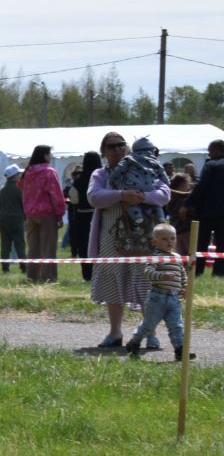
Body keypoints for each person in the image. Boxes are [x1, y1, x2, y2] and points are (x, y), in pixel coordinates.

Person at [87, 132, 169, 349]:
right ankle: (115, 333)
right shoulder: (100, 174)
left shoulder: (146, 166)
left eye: (121, 145)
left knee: (145, 283)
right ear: (103, 152)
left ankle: (151, 334)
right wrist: (122, 195)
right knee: (113, 282)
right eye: (111, 146)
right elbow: (94, 197)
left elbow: (164, 193)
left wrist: (143, 197)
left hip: (144, 236)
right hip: (110, 238)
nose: (117, 149)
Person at [125, 223, 191, 358]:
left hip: (174, 298)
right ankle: (135, 342)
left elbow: (182, 274)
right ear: (155, 242)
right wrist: (163, 276)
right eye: (165, 239)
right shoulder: (156, 257)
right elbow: (148, 272)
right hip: (157, 297)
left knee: (176, 325)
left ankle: (180, 351)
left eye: (172, 238)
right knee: (148, 325)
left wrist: (184, 287)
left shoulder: (177, 257)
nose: (169, 242)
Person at [21, 146, 66, 283]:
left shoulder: (27, 172)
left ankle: (32, 276)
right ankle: (48, 278)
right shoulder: (49, 171)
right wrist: (60, 213)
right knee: (48, 247)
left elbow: (22, 189)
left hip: (30, 213)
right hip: (47, 213)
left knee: (33, 247)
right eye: (50, 153)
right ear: (45, 155)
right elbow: (56, 194)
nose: (51, 156)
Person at [192, 140, 224, 278]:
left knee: (201, 243)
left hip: (206, 212)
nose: (209, 154)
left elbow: (201, 186)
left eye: (210, 151)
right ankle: (219, 272)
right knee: (222, 244)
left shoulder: (210, 165)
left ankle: (197, 271)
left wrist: (188, 204)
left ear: (216, 150)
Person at [68, 153, 97, 281]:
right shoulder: (103, 179)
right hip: (100, 216)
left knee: (84, 246)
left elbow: (73, 200)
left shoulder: (79, 181)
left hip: (82, 217)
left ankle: (87, 274)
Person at [0, 164, 26, 275]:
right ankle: (24, 267)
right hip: (16, 220)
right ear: (14, 176)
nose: (20, 176)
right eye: (18, 174)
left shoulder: (2, 190)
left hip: (3, 220)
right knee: (20, 245)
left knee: (5, 245)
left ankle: (5, 268)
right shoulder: (19, 189)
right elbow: (24, 205)